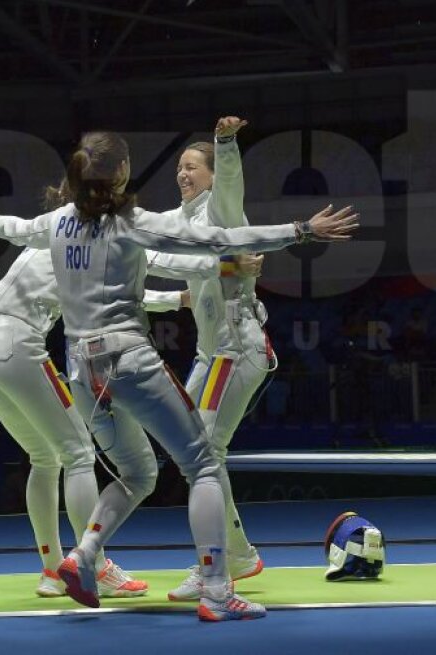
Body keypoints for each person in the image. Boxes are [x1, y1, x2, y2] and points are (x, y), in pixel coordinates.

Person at [0, 129, 357, 622]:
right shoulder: (130, 222)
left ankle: (84, 556)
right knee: (204, 465)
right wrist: (300, 230)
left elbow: (18, 229)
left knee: (137, 473)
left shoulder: (59, 223)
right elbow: (215, 238)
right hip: (127, 361)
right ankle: (218, 589)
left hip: (82, 371)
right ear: (122, 173)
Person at [0, 218, 242, 598]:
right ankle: (91, 565)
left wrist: (178, 299)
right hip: (15, 343)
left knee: (43, 457)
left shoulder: (46, 239)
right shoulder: (78, 244)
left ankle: (51, 570)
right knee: (78, 453)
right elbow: (136, 278)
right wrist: (221, 268)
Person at [137, 117, 277, 601]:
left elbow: (232, 178)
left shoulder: (222, 210)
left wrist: (225, 143)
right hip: (209, 357)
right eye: (179, 166)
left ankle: (219, 562)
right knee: (190, 454)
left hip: (236, 350)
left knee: (207, 453)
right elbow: (170, 278)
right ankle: (232, 553)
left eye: (192, 166)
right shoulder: (179, 221)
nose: (182, 173)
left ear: (214, 177)